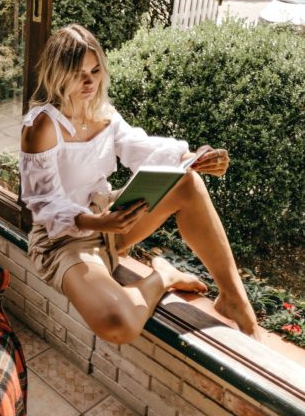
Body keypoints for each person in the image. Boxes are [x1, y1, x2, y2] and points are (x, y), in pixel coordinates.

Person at [20, 24, 261, 345]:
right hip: (64, 240)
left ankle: (234, 298)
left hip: (109, 221)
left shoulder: (102, 113)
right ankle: (163, 275)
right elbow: (43, 203)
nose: (90, 81)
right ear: (57, 73)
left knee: (188, 181)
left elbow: (141, 148)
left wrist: (195, 156)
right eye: (79, 73)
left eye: (95, 70)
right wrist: (97, 221)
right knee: (118, 324)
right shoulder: (42, 126)